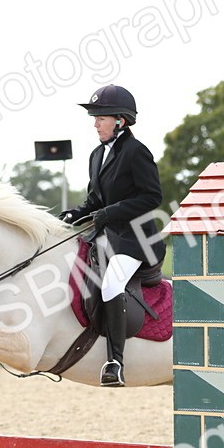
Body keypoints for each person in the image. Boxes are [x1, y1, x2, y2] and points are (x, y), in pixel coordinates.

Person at [59, 85, 166, 387]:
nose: (95, 124)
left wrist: (111, 212)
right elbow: (95, 200)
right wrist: (73, 214)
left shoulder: (136, 151)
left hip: (136, 241)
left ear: (120, 120)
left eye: (100, 118)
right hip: (106, 237)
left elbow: (152, 197)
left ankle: (115, 362)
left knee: (111, 284)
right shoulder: (96, 155)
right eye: (95, 118)